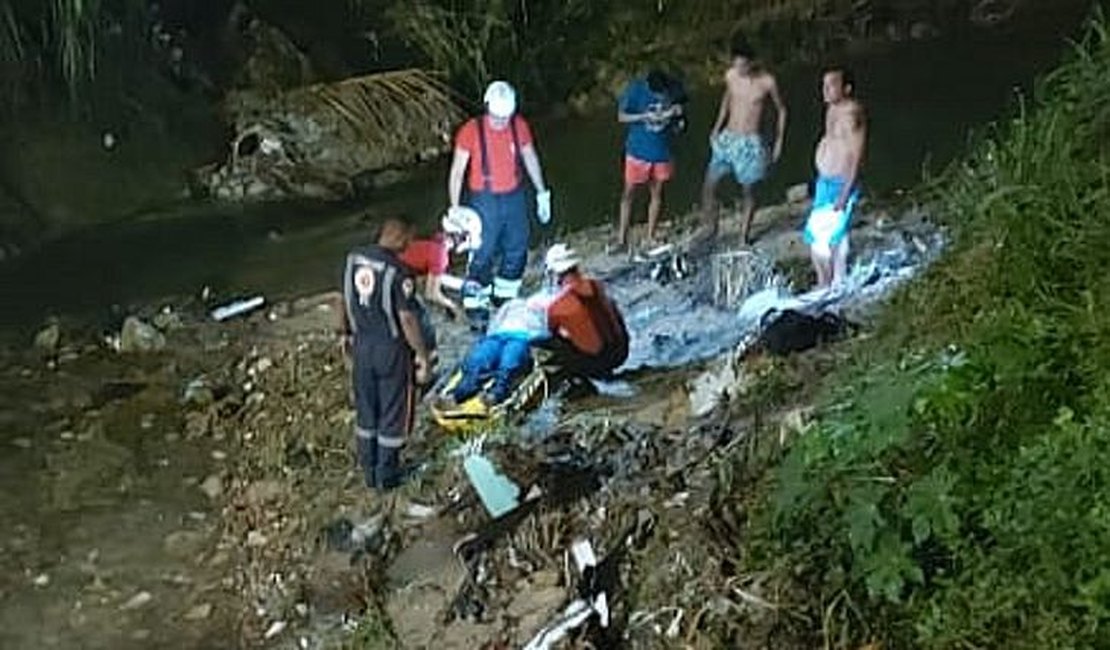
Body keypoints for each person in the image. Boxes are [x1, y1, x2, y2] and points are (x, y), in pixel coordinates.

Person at [337, 217, 432, 491]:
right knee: (393, 413)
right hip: (390, 350)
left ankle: (368, 473)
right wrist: (421, 355)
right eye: (408, 239)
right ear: (399, 235)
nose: (409, 245)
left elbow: (339, 299)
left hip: (361, 345)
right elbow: (407, 320)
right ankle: (387, 478)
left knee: (367, 412)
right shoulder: (398, 272)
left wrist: (342, 333)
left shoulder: (352, 259)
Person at [447, 80, 551, 329]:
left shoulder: (519, 126)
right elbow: (457, 172)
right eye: (497, 117)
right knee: (482, 252)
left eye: (506, 117)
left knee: (517, 247)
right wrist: (456, 209)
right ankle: (476, 304)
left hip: (513, 195)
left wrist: (541, 192)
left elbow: (529, 157)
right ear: (487, 108)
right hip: (484, 199)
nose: (502, 123)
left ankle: (504, 295)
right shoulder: (471, 131)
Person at [695, 35, 787, 249]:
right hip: (728, 138)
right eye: (736, 64)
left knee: (748, 190)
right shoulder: (731, 76)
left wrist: (779, 140)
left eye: (744, 64)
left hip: (750, 142)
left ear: (752, 62)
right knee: (710, 185)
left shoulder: (767, 82)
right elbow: (727, 100)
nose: (740, 68)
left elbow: (781, 109)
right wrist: (716, 128)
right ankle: (710, 226)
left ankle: (743, 236)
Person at [804, 66, 866, 288]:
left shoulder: (852, 113)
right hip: (825, 181)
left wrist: (845, 192)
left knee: (833, 235)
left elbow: (856, 155)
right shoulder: (830, 109)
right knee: (814, 235)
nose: (825, 90)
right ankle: (826, 282)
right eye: (824, 85)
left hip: (840, 183)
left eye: (831, 85)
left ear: (846, 88)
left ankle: (836, 282)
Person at [616, 69, 687, 249]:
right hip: (637, 152)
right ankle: (621, 238)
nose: (659, 95)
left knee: (657, 193)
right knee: (628, 193)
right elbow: (621, 116)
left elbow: (681, 116)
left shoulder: (672, 88)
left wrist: (677, 116)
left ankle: (651, 236)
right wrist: (644, 116)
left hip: (661, 152)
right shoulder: (636, 90)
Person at [534, 244, 629, 378]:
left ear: (555, 274)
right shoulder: (597, 286)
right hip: (621, 352)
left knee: (544, 340)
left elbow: (549, 331)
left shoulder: (556, 307)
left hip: (594, 363)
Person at [448, 298, 549, 407]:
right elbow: (496, 321)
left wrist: (533, 338)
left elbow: (545, 332)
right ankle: (460, 392)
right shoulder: (512, 304)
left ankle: (495, 394)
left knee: (509, 361)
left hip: (520, 338)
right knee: (478, 359)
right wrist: (489, 335)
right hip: (498, 336)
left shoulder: (543, 309)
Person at [398, 208, 483, 321]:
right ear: (459, 236)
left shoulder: (437, 239)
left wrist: (461, 284)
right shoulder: (440, 255)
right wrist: (453, 306)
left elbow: (434, 274)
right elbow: (431, 293)